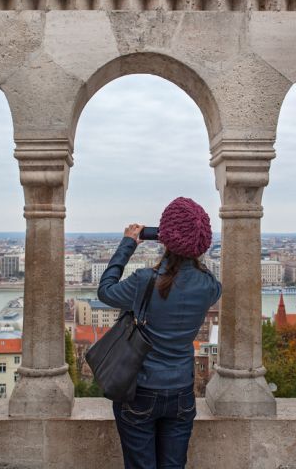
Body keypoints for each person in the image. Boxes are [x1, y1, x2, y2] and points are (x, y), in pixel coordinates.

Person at [97, 197, 222, 469]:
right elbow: (204, 277)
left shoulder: (144, 281)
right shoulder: (209, 286)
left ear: (165, 237)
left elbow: (105, 291)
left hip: (140, 388)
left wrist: (128, 243)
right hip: (181, 392)